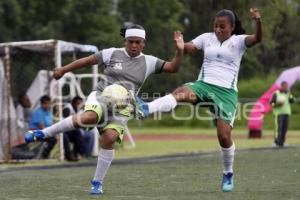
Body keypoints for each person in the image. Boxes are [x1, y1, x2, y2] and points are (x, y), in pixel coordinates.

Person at [24, 24, 184, 195]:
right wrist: (64, 69)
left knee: (110, 137)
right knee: (88, 118)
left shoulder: (149, 62)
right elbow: (86, 61)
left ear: (144, 43)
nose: (134, 46)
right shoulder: (111, 53)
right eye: (130, 42)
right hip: (101, 95)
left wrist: (180, 51)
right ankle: (43, 133)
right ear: (125, 41)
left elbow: (173, 68)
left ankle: (97, 182)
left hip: (123, 107)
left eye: (138, 42)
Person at [138, 8, 262, 192]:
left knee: (223, 136)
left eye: (222, 26)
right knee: (181, 92)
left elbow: (257, 38)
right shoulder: (206, 37)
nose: (218, 30)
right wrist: (181, 46)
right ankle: (147, 108)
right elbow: (190, 48)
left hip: (226, 92)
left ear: (232, 27)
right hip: (203, 85)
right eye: (215, 26)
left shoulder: (238, 42)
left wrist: (258, 22)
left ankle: (228, 173)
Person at [63, 96, 94, 161]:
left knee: (91, 134)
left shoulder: (79, 109)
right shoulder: (67, 108)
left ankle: (87, 154)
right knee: (78, 133)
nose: (79, 105)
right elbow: (67, 120)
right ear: (73, 103)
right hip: (65, 130)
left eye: (80, 103)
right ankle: (82, 153)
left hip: (75, 129)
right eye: (78, 103)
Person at [270, 81, 295, 147]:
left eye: (287, 87)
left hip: (286, 113)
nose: (286, 88)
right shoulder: (276, 93)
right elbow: (271, 103)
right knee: (278, 129)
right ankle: (276, 142)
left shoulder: (288, 94)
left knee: (285, 129)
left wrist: (290, 94)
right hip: (278, 114)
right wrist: (277, 104)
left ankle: (282, 142)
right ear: (281, 86)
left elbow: (292, 101)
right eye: (285, 86)